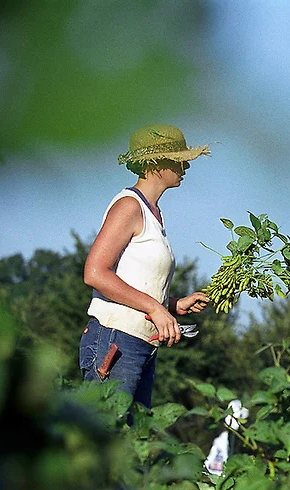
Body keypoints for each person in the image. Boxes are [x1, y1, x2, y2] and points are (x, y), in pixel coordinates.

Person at [79, 124, 211, 408]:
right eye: (179, 158)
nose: (186, 164)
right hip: (114, 339)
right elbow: (95, 272)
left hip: (140, 344)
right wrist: (154, 308)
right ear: (156, 164)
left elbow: (135, 282)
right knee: (109, 437)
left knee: (132, 441)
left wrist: (173, 304)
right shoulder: (129, 206)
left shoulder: (154, 214)